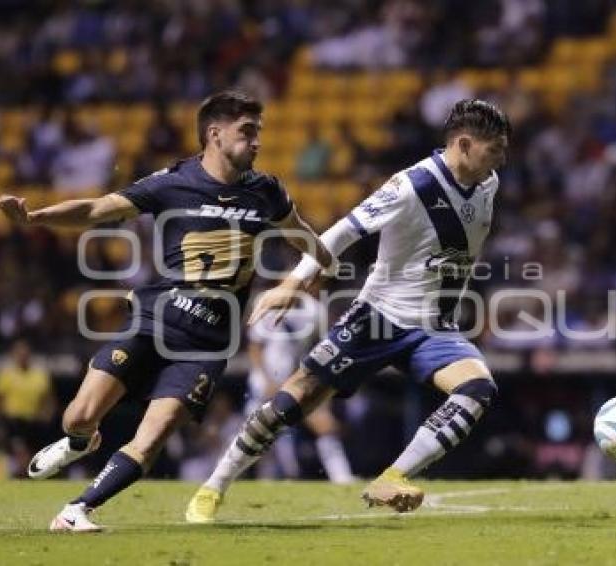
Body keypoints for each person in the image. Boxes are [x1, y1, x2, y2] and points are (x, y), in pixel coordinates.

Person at [0, 90, 334, 532]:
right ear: (214, 134)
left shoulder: (267, 192)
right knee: (77, 416)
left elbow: (305, 239)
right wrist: (36, 218)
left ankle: (77, 510)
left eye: (258, 133)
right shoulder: (172, 183)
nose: (256, 143)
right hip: (154, 322)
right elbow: (98, 209)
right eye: (246, 132)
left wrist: (306, 277)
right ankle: (80, 441)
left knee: (153, 437)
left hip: (207, 345)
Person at [186, 99, 510, 521]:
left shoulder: (488, 184)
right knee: (296, 398)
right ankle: (214, 487)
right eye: (494, 150)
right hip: (377, 318)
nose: (501, 159)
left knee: (477, 389)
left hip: (434, 327)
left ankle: (393, 475)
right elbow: (342, 232)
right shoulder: (412, 185)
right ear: (464, 144)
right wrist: (292, 283)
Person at [245, 293, 353, 484]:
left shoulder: (314, 310)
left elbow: (322, 345)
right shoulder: (269, 306)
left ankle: (342, 476)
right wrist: (267, 379)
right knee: (258, 433)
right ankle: (266, 478)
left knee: (324, 425)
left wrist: (315, 384)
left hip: (296, 379)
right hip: (263, 383)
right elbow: (255, 348)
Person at [0, 339, 57, 478]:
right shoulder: (6, 374)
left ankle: (26, 477)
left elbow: (49, 400)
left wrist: (47, 416)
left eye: (25, 353)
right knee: (21, 453)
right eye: (19, 353)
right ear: (13, 354)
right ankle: (17, 476)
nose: (22, 356)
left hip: (35, 422)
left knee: (34, 454)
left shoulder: (40, 375)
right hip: (13, 422)